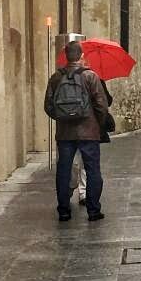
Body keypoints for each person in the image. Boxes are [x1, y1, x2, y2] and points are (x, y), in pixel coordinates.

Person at [44, 41, 108, 222]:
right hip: (88, 132)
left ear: (65, 56)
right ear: (81, 55)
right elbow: (101, 105)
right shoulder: (91, 76)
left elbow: (48, 106)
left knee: (63, 170)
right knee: (92, 170)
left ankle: (64, 211)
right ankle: (93, 210)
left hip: (65, 134)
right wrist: (98, 124)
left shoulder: (56, 77)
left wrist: (63, 118)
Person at [72, 72, 114, 206]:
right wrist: (99, 124)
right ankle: (84, 194)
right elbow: (106, 102)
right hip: (90, 128)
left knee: (73, 162)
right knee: (88, 163)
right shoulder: (96, 79)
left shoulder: (67, 78)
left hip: (70, 127)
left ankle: (73, 191)